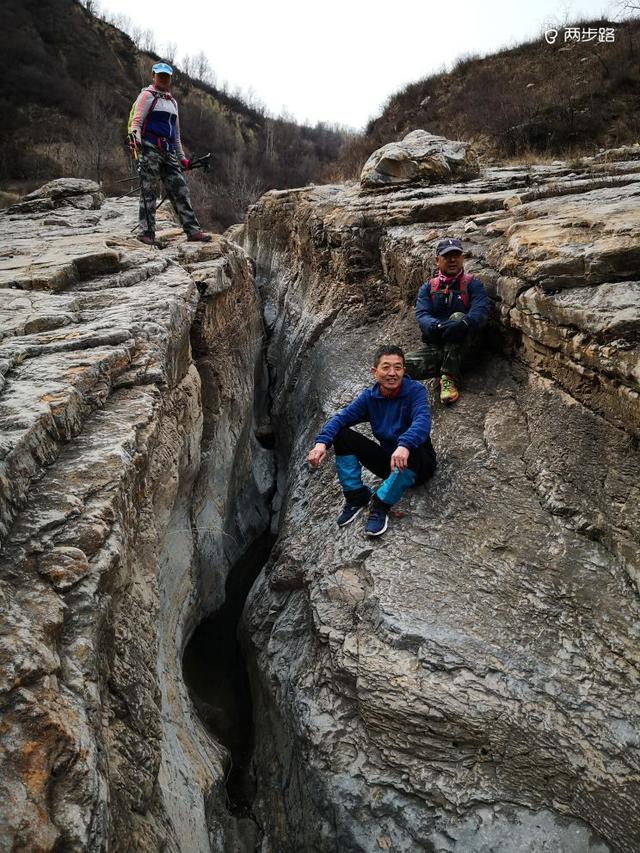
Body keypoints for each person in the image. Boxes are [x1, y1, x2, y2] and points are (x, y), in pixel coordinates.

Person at [307, 346, 436, 537]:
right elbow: (340, 419)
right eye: (386, 367)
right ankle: (356, 497)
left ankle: (381, 505)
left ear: (404, 370)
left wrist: (405, 445)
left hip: (419, 465)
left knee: (413, 445)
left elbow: (422, 421)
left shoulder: (415, 391)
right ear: (374, 372)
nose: (392, 373)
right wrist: (321, 443)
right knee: (342, 435)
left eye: (398, 367)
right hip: (389, 463)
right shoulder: (370, 398)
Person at [129, 62, 211, 245]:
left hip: (169, 152)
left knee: (181, 190)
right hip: (149, 148)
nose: (163, 79)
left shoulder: (173, 102)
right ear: (154, 76)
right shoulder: (146, 96)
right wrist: (136, 141)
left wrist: (182, 158)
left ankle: (193, 231)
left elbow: (176, 134)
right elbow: (136, 122)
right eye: (160, 75)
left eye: (166, 76)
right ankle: (146, 233)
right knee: (148, 191)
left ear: (170, 78)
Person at [405, 238, 489, 404]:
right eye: (447, 256)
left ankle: (449, 378)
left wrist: (464, 323)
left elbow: (481, 312)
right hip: (439, 349)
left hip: (466, 350)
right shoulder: (428, 288)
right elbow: (422, 315)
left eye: (456, 255)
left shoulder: (473, 285)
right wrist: (437, 325)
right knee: (399, 366)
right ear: (437, 261)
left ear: (462, 258)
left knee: (458, 318)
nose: (452, 260)